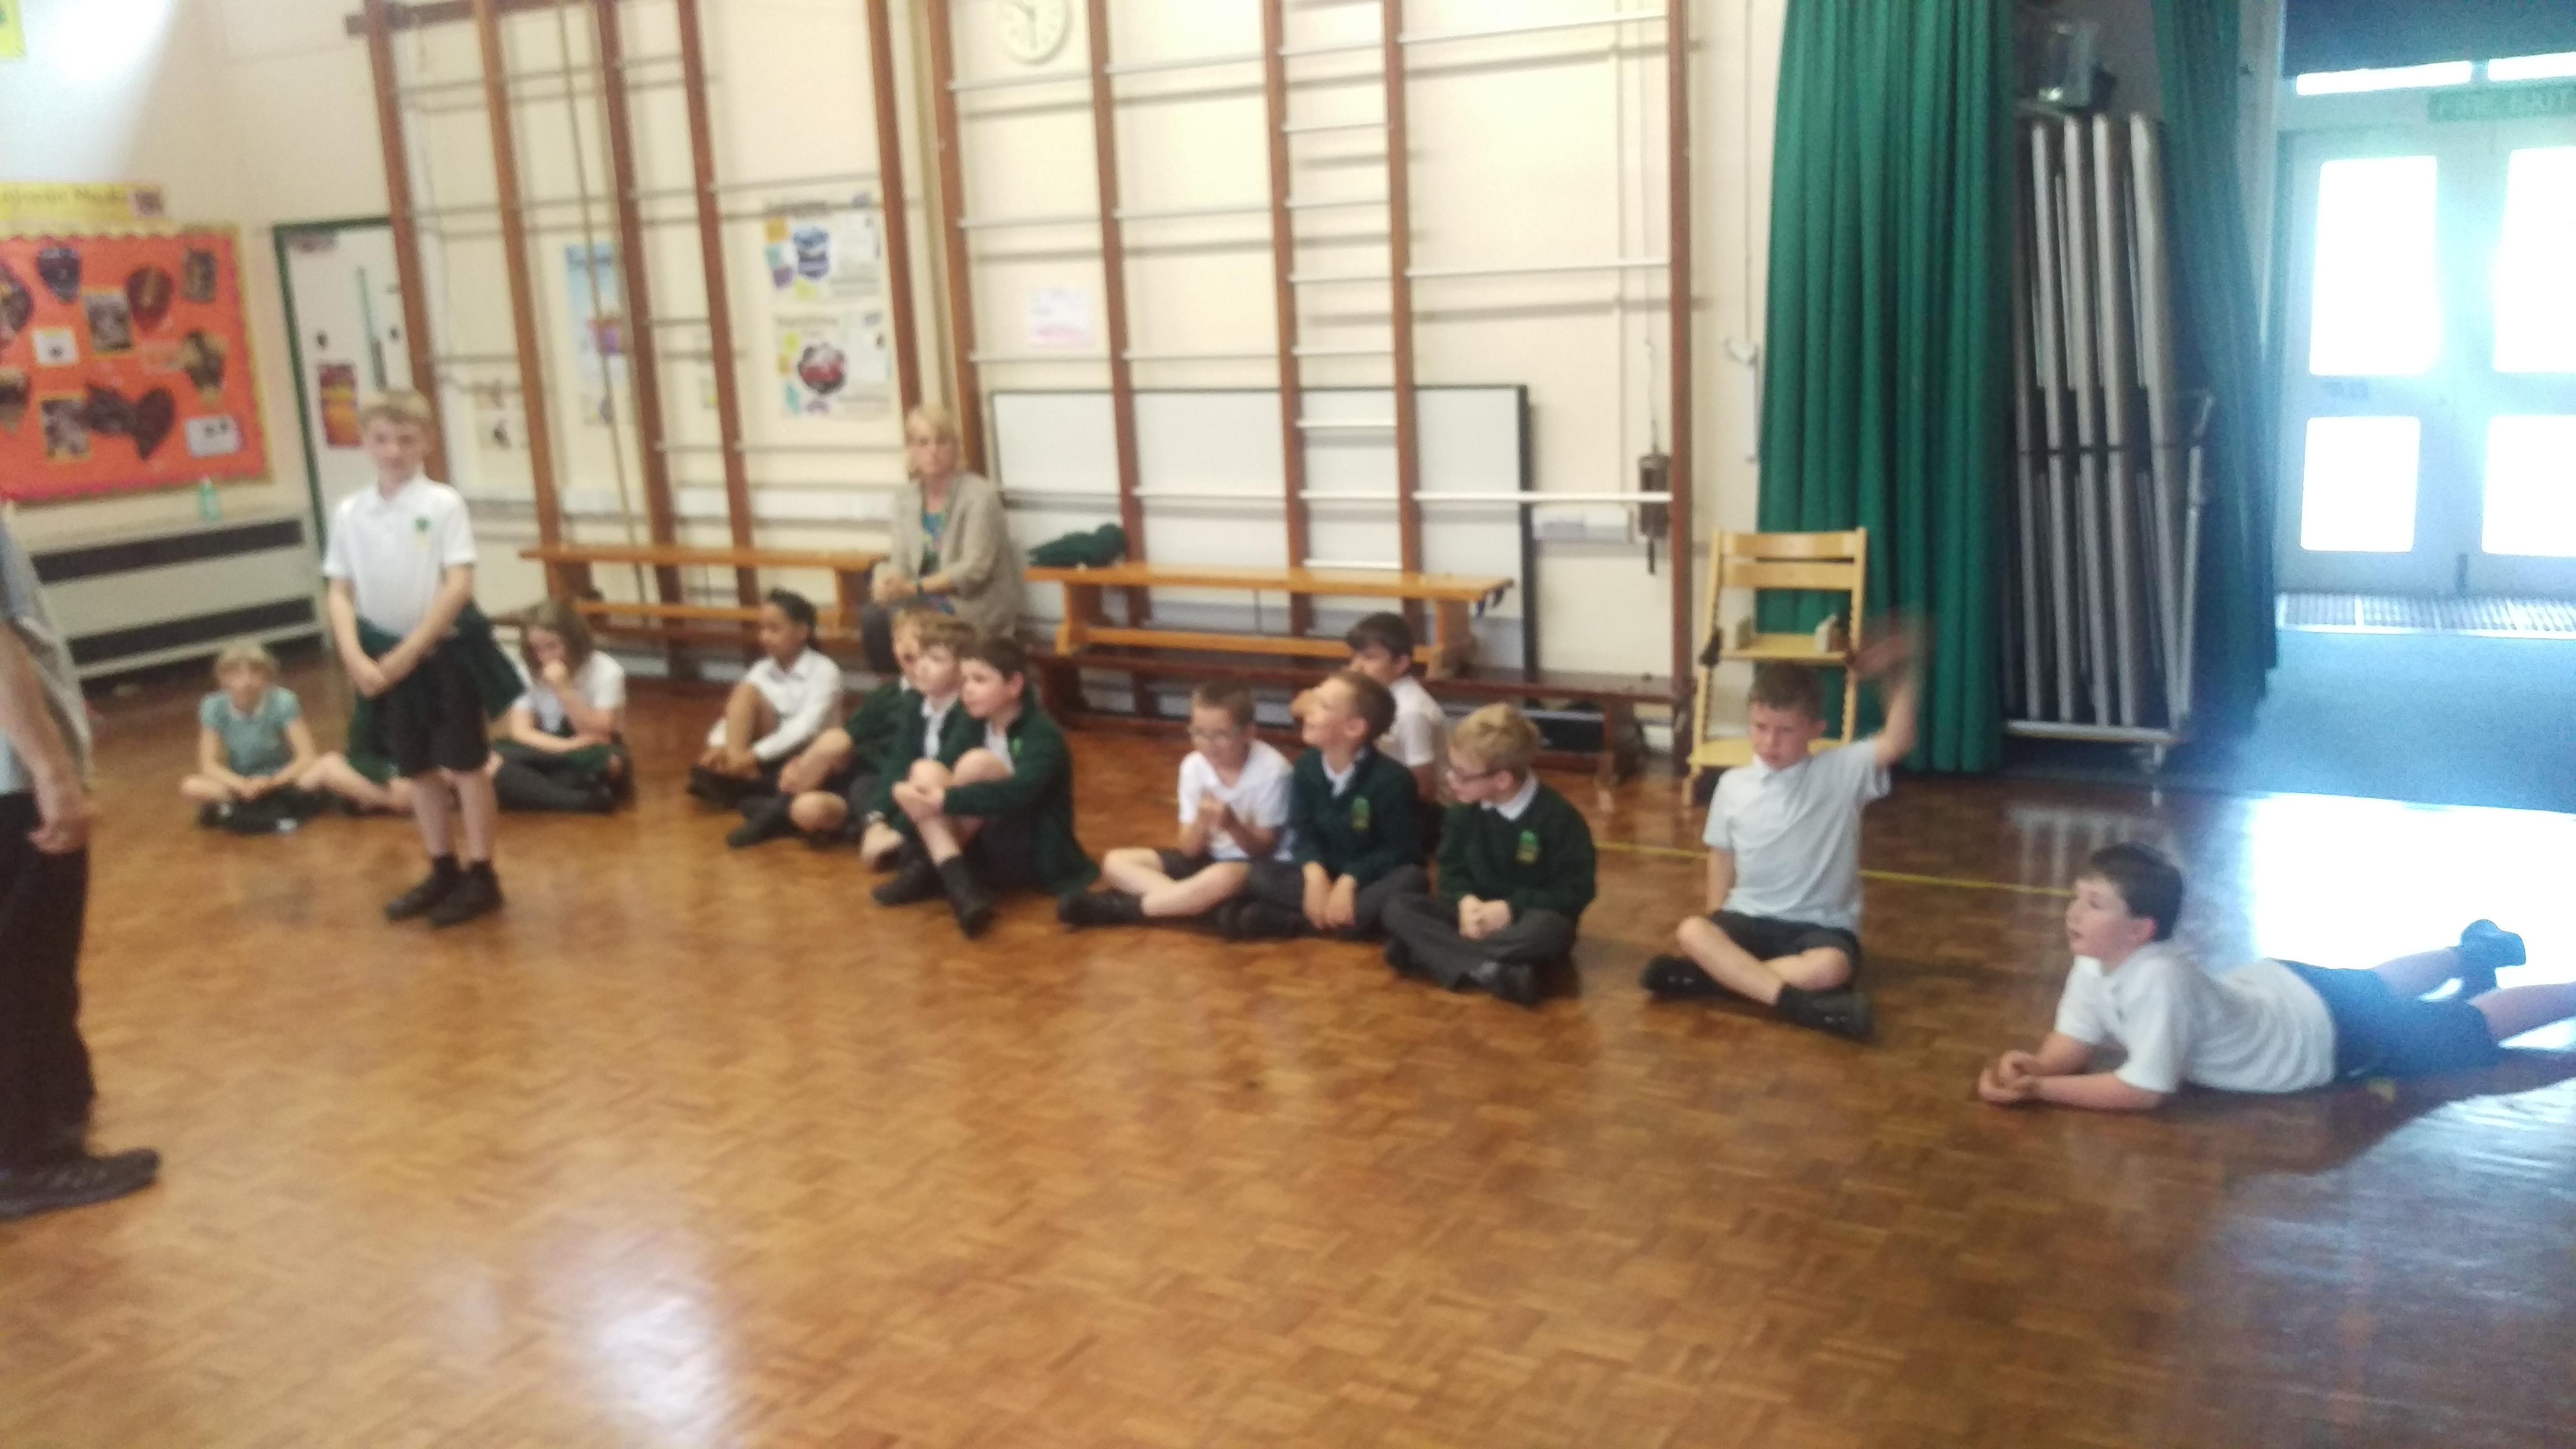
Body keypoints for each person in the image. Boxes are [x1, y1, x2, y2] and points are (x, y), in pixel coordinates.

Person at [1977, 843, 2576, 1112]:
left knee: (2466, 1028)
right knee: (2375, 984)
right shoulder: (2094, 962)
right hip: (2285, 989)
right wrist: (2037, 1068)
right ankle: (2477, 952)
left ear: (2140, 930)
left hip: (2323, 1040)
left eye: (2094, 904)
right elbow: (2073, 1044)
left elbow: (2144, 1092)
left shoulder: (2160, 982)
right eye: (2077, 898)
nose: (2074, 914)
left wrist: (2042, 1092)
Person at [1637, 630, 1920, 1041]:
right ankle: (1797, 1004)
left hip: (1818, 925)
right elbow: (1721, 856)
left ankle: (1717, 979)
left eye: (1785, 730)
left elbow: (1898, 739)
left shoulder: (1840, 772)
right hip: (1749, 916)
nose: (1770, 742)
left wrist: (1897, 672)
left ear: (1816, 729)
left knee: (1831, 967)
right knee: (1693, 931)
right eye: (1760, 727)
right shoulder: (1733, 785)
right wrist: (1718, 918)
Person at [0, 508, 160, 1221]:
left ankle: (53, 1106)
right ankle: (30, 1158)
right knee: (27, 968)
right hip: (11, 785)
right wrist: (51, 769)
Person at [324, 390, 521, 928]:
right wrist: (355, 657)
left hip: (442, 653)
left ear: (427, 443)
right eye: (383, 440)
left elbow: (458, 584)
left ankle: (483, 873)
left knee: (466, 764)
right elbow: (339, 590)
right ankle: (442, 867)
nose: (394, 451)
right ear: (366, 443)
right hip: (383, 655)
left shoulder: (442, 504)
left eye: (406, 440)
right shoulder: (350, 512)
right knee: (416, 767)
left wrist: (412, 651)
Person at [874, 634, 1094, 938]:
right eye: (964, 680)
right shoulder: (973, 722)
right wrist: (903, 799)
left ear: (1014, 686)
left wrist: (943, 801)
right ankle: (958, 885)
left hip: (1028, 846)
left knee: (978, 764)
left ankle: (930, 869)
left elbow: (1018, 794)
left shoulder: (1042, 734)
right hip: (978, 843)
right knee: (924, 769)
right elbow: (941, 773)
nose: (967, 690)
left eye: (980, 680)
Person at [1381, 703, 1596, 1009]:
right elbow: (1451, 872)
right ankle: (1493, 970)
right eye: (1451, 768)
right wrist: (1466, 902)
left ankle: (1437, 955)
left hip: (1524, 921)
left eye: (1462, 775)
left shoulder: (1558, 818)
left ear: (1502, 780)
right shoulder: (1462, 812)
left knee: (1549, 930)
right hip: (1470, 918)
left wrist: (1509, 910)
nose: (1451, 780)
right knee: (1399, 907)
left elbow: (1577, 891)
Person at [1058, 679, 1293, 929]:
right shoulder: (1193, 767)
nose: (1209, 744)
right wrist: (1202, 822)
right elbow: (1189, 850)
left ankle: (1122, 909)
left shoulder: (1272, 772)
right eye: (1199, 733)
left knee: (1223, 877)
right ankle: (1196, 907)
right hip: (1209, 859)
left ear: (1248, 732)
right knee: (1115, 863)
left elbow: (1264, 851)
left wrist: (1232, 826)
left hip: (1253, 868)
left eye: (1221, 735)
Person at [1224, 669, 1426, 941]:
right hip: (1325, 873)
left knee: (1412, 879)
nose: (1309, 711)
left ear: (1354, 728)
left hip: (1368, 880)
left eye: (1323, 706)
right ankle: (1346, 924)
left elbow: (1401, 851)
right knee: (1261, 875)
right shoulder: (1307, 767)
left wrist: (1351, 879)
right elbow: (1303, 831)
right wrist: (1314, 873)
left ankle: (1296, 922)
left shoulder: (1391, 780)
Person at [732, 602, 938, 850]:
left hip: (892, 784)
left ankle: (774, 812)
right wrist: (805, 765)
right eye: (898, 639)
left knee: (838, 761)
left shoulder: (937, 698)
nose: (904, 646)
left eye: (914, 639)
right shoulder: (888, 694)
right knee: (808, 807)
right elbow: (847, 736)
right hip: (858, 779)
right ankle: (785, 809)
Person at [862, 403, 1025, 676]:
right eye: (923, 443)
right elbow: (900, 560)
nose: (933, 451)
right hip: (919, 599)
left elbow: (975, 569)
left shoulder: (980, 496)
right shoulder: (905, 499)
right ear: (911, 449)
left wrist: (914, 588)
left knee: (909, 621)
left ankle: (927, 688)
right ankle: (896, 689)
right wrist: (889, 582)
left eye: (942, 442)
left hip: (972, 604)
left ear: (955, 447)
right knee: (874, 616)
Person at [687, 588, 842, 808]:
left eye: (774, 629)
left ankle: (740, 776)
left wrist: (754, 755)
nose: (765, 637)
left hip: (805, 754)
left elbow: (804, 729)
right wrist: (721, 745)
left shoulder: (825, 671)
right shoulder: (762, 668)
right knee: (744, 692)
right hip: (763, 754)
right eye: (762, 629)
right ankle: (740, 772)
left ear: (802, 632)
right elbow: (734, 714)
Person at [843, 613, 977, 868]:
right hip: (917, 797)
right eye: (922, 657)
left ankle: (909, 851)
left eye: (935, 659)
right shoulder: (916, 704)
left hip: (950, 803)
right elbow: (899, 761)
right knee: (867, 787)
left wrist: (898, 829)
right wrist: (876, 820)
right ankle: (881, 836)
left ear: (962, 669)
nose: (922, 667)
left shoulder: (968, 713)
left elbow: (944, 768)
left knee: (924, 775)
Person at [489, 600, 628, 814]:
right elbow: (521, 731)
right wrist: (566, 747)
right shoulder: (526, 671)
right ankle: (579, 800)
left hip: (592, 747)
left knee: (607, 762)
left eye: (552, 647)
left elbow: (600, 733)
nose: (544, 657)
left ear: (574, 641)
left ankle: (530, 788)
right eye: (536, 649)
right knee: (488, 760)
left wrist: (564, 690)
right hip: (551, 745)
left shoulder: (607, 671)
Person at [181, 640, 321, 832]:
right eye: (237, 674)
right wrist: (241, 785)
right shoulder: (213, 706)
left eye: (255, 673)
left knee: (321, 771)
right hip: (241, 781)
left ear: (267, 676)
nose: (246, 681)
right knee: (191, 786)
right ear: (223, 679)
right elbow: (209, 764)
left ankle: (239, 812)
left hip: (282, 778)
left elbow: (307, 756)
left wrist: (272, 782)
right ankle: (269, 810)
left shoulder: (283, 701)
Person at [1343, 611, 1448, 807]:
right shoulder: (1374, 695)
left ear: (1401, 663)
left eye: (1369, 658)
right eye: (1355, 657)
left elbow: (1424, 787)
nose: (1357, 667)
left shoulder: (1411, 712)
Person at [298, 741, 415, 817]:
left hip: (407, 781)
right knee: (327, 765)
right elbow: (360, 756)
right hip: (395, 779)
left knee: (327, 766)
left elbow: (306, 757)